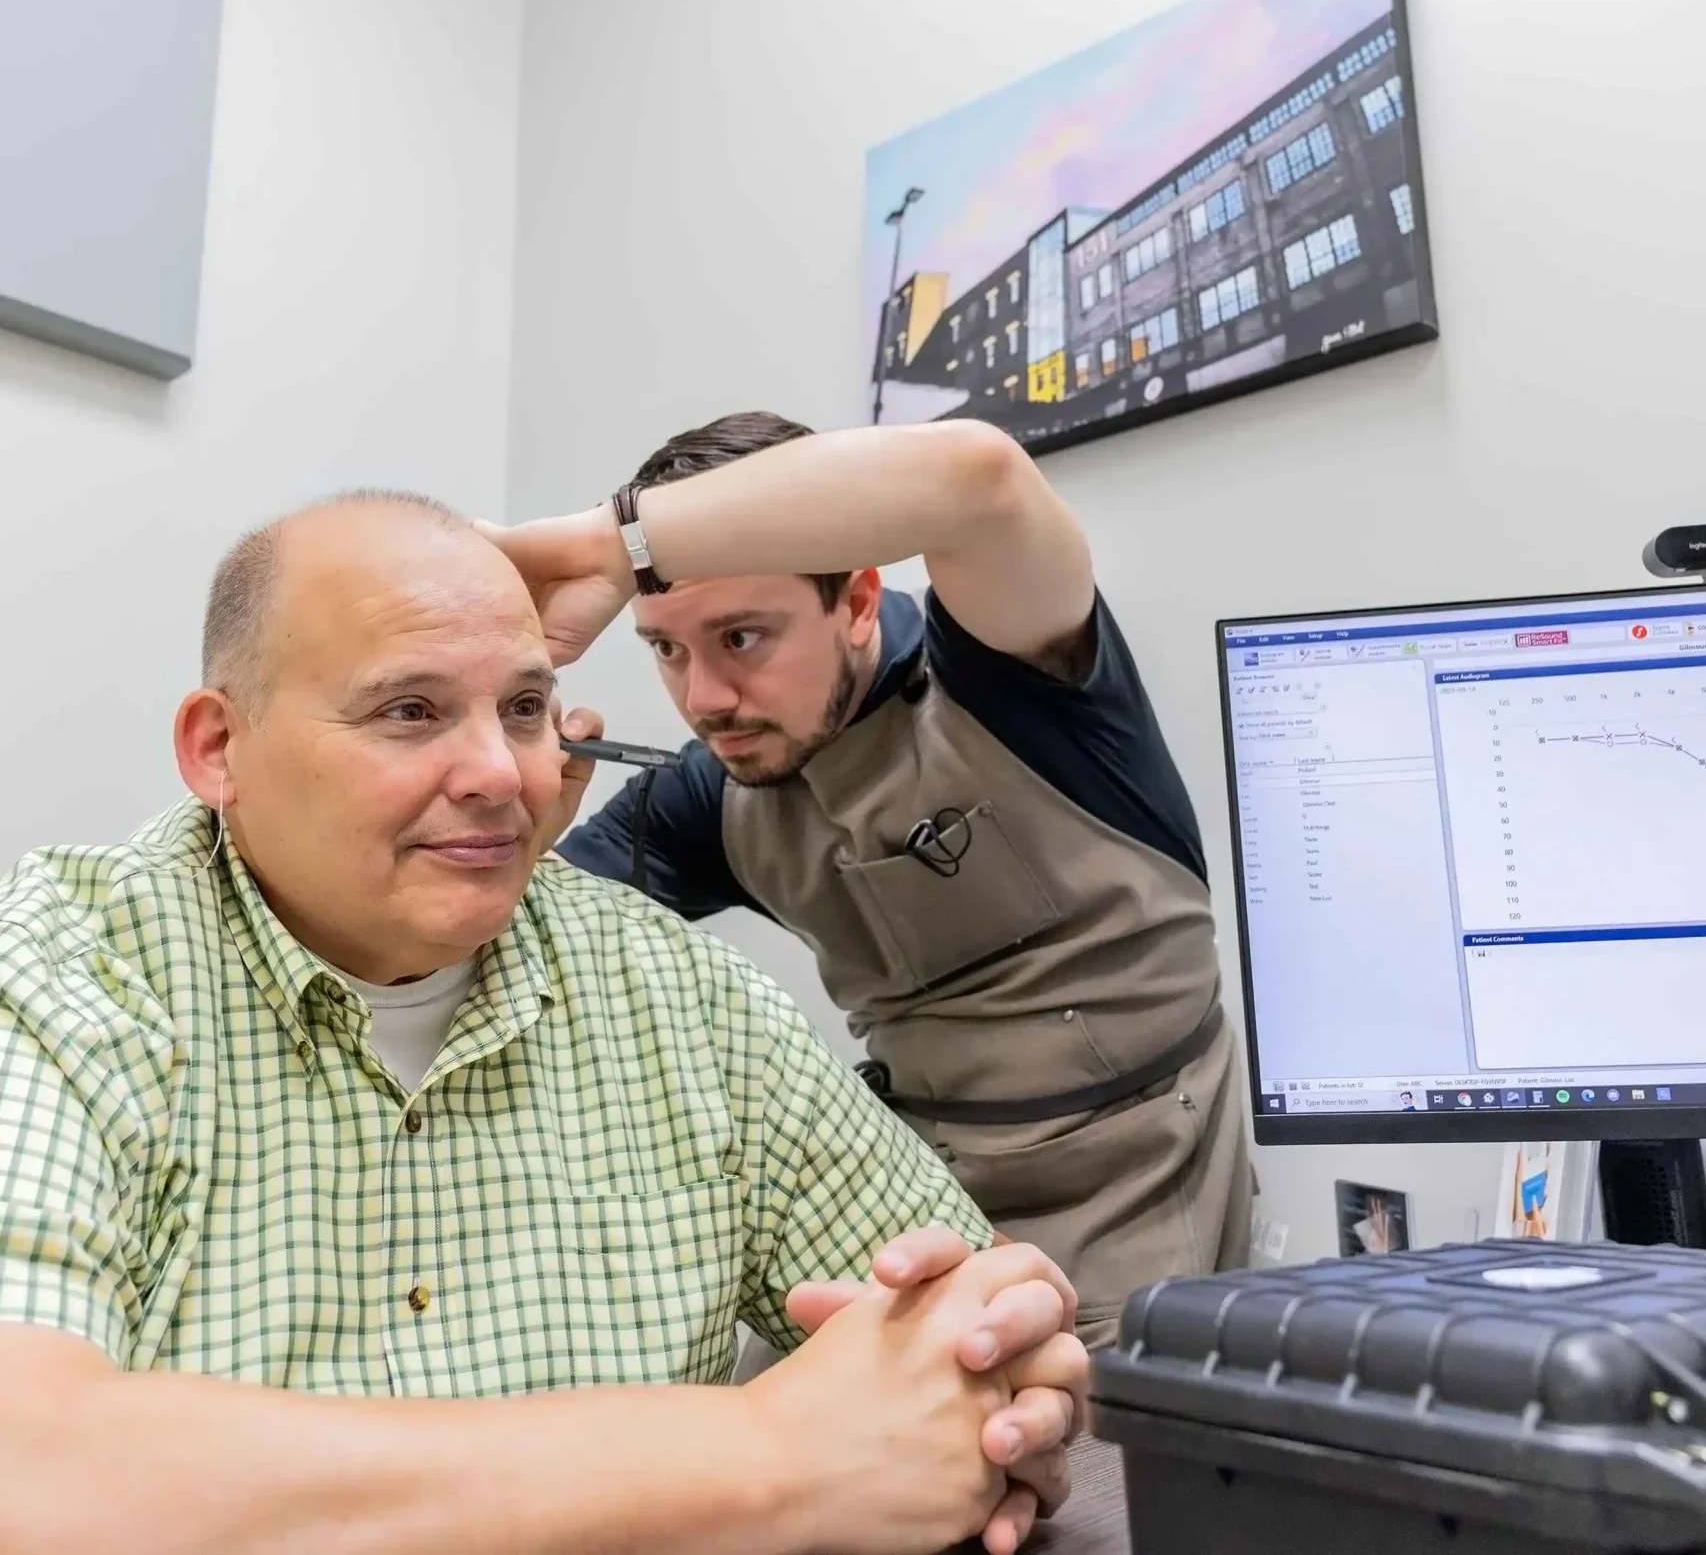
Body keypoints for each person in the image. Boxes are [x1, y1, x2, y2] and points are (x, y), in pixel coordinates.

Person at [0, 491, 1088, 1555]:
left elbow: (969, 1313)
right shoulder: (69, 969)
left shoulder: (679, 994)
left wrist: (1007, 1380)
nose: (501, 772)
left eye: (523, 708)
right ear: (217, 749)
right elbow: (33, 1472)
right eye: (409, 710)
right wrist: (761, 1454)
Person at [483, 413, 1253, 1348]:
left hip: (1130, 1213)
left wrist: (608, 545)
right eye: (668, 649)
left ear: (854, 602)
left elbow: (977, 478)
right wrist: (517, 833)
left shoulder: (1010, 683)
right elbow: (499, 951)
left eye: (742, 637)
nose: (704, 699)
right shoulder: (711, 791)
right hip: (890, 1206)